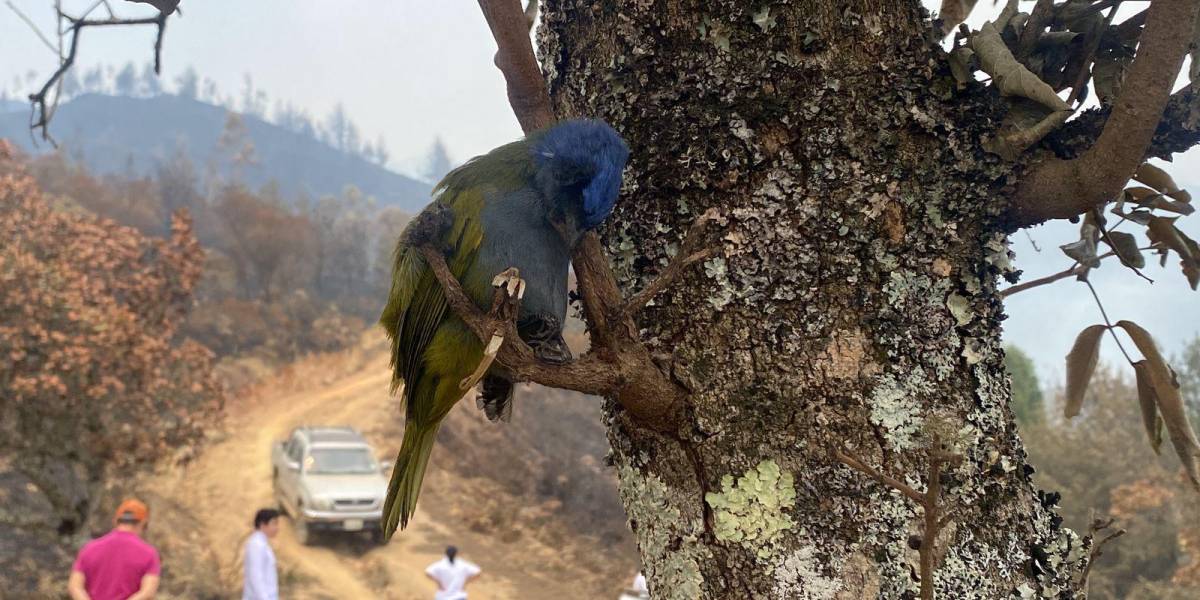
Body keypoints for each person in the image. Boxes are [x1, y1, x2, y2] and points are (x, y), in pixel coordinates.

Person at [67, 498, 161, 600]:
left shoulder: (89, 548)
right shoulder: (149, 553)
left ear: (116, 520)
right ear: (143, 523)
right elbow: (148, 592)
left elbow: (75, 586)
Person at [242, 508, 281, 600]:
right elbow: (255, 576)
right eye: (274, 523)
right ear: (262, 525)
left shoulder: (262, 544)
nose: (277, 528)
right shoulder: (256, 545)